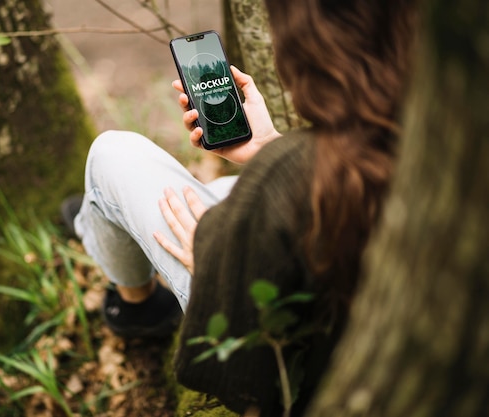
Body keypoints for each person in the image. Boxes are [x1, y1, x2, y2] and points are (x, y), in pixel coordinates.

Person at [62, 0, 417, 414]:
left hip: (284, 338)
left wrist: (218, 261)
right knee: (227, 185)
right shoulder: (435, 142)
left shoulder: (283, 180)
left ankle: (137, 307)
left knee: (111, 155)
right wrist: (269, 146)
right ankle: (100, 220)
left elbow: (237, 372)